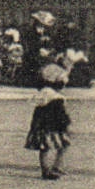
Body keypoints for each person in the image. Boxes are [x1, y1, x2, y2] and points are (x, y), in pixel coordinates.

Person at [24, 48, 84, 181]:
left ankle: (46, 169)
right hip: (55, 118)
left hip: (42, 118)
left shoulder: (42, 90)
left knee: (44, 145)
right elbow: (60, 110)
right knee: (63, 142)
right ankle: (56, 167)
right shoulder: (58, 90)